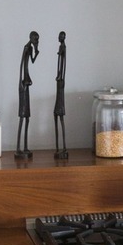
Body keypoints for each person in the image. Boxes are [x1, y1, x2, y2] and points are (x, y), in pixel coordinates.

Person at [15, 30, 39, 158]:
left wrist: (36, 51)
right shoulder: (25, 47)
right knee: (22, 116)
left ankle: (25, 146)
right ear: (31, 38)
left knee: (27, 116)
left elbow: (32, 61)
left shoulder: (30, 48)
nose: (37, 41)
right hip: (23, 84)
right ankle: (18, 147)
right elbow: (21, 65)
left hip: (27, 82)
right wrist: (21, 83)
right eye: (36, 39)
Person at [54, 30, 68, 160]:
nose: (59, 38)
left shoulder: (63, 47)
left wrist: (61, 77)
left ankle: (63, 147)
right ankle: (59, 147)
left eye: (61, 36)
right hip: (59, 80)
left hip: (60, 82)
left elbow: (63, 64)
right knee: (56, 115)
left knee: (60, 115)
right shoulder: (60, 47)